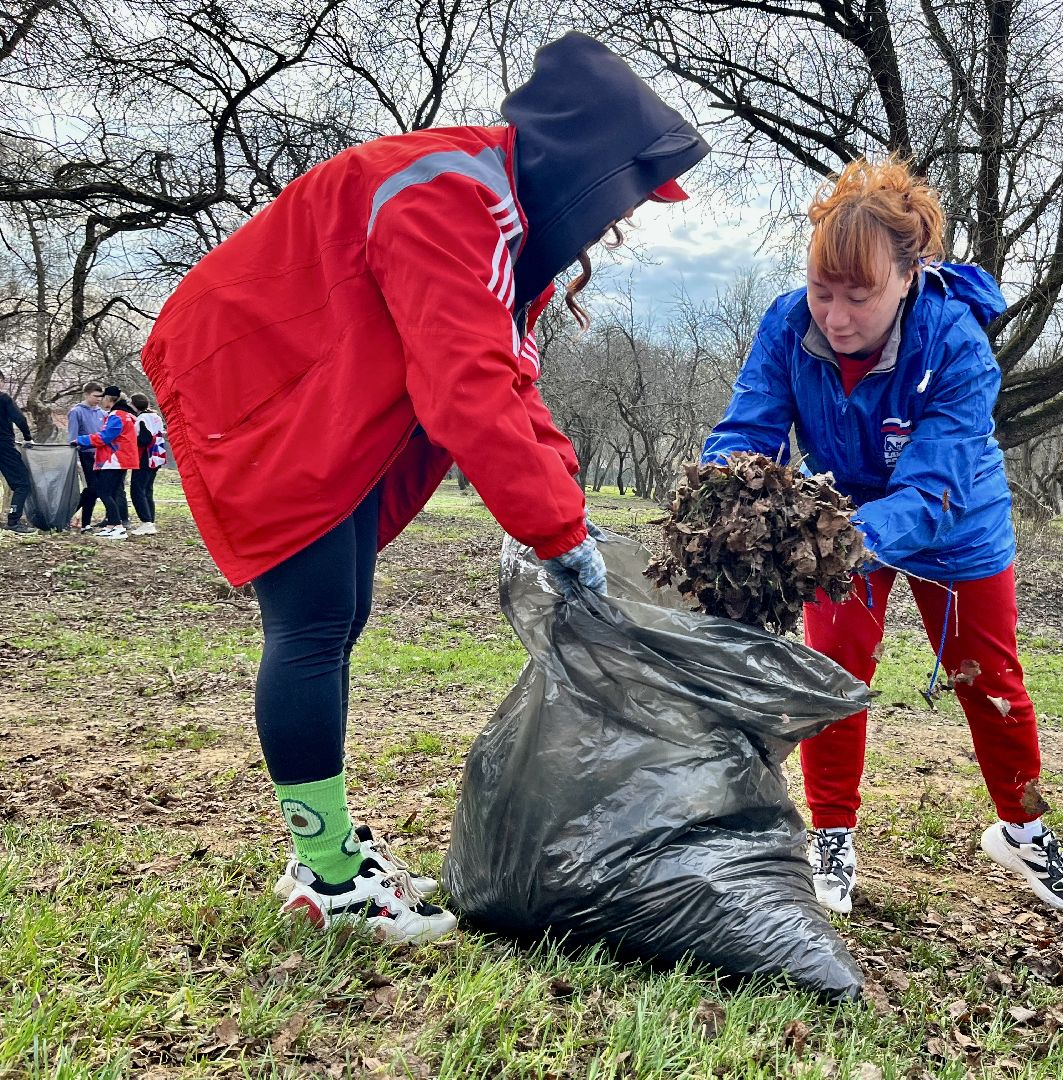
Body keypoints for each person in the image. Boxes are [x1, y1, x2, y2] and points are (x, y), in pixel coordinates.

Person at [140, 32, 708, 945]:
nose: (618, 224)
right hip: (260, 381)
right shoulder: (452, 196)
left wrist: (568, 505)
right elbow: (464, 392)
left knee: (340, 611)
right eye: (626, 197)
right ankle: (326, 880)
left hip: (315, 386)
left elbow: (510, 379)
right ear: (587, 164)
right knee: (315, 620)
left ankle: (323, 857)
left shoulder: (497, 221)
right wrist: (556, 535)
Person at [702, 156, 1063, 917]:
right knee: (835, 676)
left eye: (860, 295)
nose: (836, 316)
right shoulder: (789, 325)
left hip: (957, 524)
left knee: (989, 681)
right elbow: (750, 428)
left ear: (909, 276)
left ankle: (1022, 827)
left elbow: (932, 482)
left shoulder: (955, 345)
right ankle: (831, 836)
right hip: (840, 516)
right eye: (823, 291)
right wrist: (726, 500)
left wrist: (839, 539)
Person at [75, 386, 139, 539]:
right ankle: (112, 525)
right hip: (119, 459)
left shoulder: (117, 415)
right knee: (111, 492)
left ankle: (117, 526)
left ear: (109, 399)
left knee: (104, 492)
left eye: (102, 397)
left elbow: (104, 437)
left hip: (114, 459)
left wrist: (80, 440)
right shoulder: (126, 415)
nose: (100, 400)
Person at [67, 382, 106, 530]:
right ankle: (70, 514)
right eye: (95, 396)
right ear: (86, 394)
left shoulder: (102, 413)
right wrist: (75, 459)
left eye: (100, 397)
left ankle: (86, 523)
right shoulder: (76, 412)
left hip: (101, 456)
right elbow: (72, 437)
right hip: (85, 454)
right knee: (93, 488)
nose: (98, 399)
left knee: (94, 490)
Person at [129, 393, 166, 536]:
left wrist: (133, 440)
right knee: (147, 489)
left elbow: (144, 439)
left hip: (146, 456)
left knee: (137, 489)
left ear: (133, 405)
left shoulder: (142, 419)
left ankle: (146, 522)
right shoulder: (155, 416)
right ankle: (150, 520)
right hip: (157, 454)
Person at [1, 384, 35, 533]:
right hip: (3, 446)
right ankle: (13, 522)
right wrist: (28, 437)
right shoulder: (4, 399)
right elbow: (20, 419)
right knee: (22, 484)